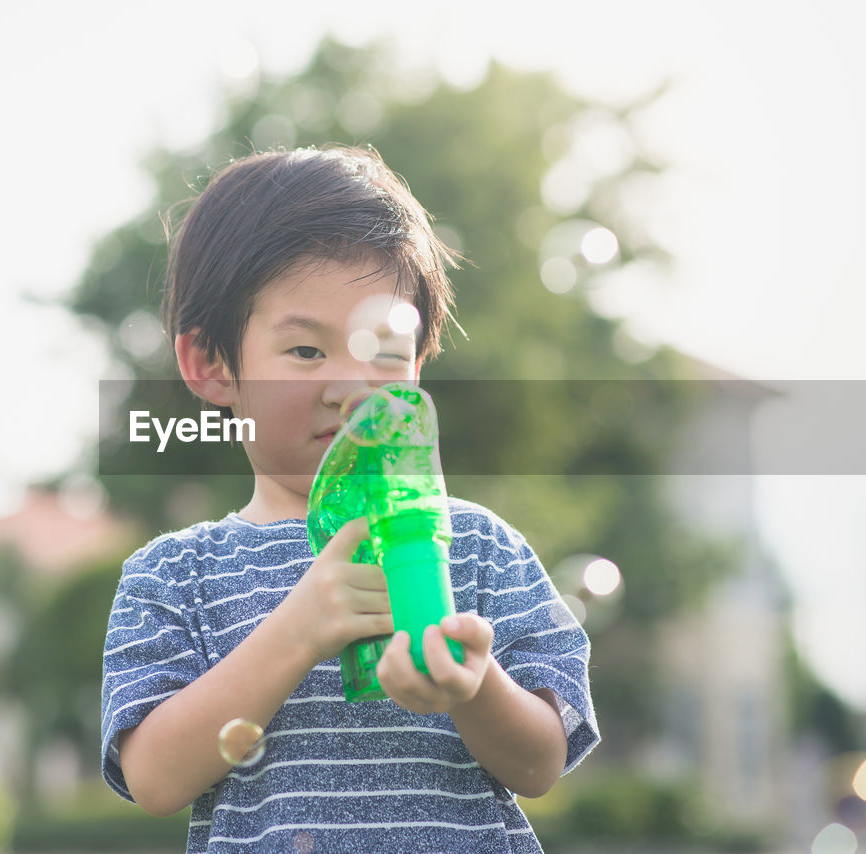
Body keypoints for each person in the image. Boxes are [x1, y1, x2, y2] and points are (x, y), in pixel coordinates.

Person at [100, 145, 599, 853]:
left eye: (385, 351)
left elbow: (541, 762)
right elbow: (152, 777)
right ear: (211, 365)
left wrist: (474, 687)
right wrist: (300, 627)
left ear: (420, 360)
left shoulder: (480, 547)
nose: (351, 386)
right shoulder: (175, 574)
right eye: (306, 352)